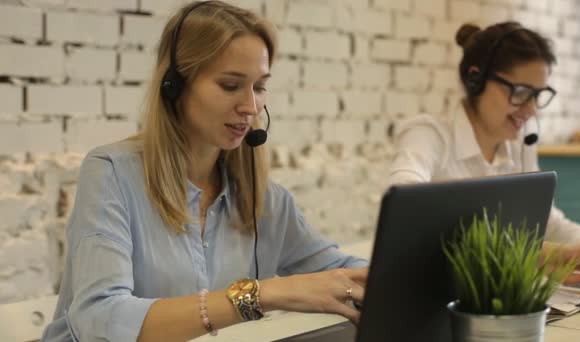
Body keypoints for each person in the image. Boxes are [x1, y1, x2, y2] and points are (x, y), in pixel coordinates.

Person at [42, 2, 367, 341]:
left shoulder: (263, 199)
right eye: (230, 85)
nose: (251, 107)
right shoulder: (112, 174)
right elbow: (100, 317)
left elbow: (340, 272)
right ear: (175, 86)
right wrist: (262, 294)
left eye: (259, 87)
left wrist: (409, 270)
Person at [389, 21, 580, 282]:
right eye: (521, 92)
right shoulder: (428, 135)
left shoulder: (520, 143)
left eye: (538, 95)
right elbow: (405, 212)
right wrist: (538, 254)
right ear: (475, 79)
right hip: (432, 293)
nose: (530, 110)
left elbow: (548, 221)